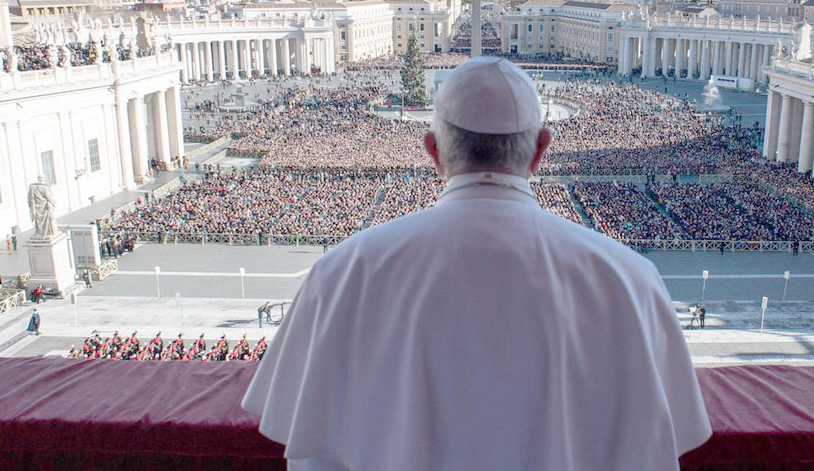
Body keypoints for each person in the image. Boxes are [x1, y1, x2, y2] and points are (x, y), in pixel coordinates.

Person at [243, 56, 712, 470]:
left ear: (432, 150)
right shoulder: (629, 277)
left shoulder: (342, 271)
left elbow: (307, 447)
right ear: (541, 149)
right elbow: (663, 442)